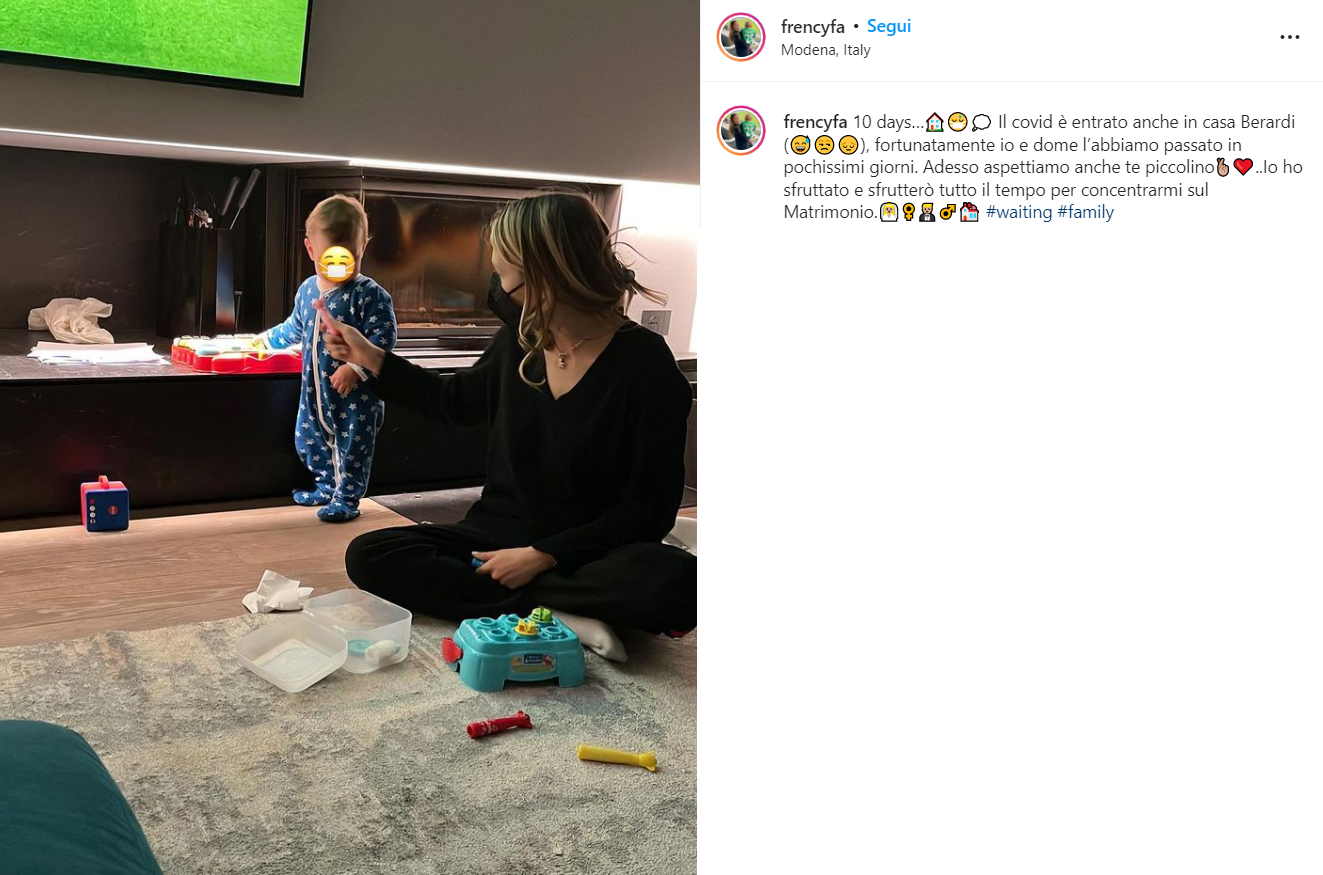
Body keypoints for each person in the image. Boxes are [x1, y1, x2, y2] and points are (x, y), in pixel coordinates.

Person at [332, 192, 696, 661]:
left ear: (545, 275)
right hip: (496, 534)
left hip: (590, 550)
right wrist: (369, 356)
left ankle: (533, 595)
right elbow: (452, 402)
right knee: (370, 555)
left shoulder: (646, 366)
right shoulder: (520, 343)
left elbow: (649, 511)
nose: (499, 292)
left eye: (505, 278)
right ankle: (558, 608)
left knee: (677, 584)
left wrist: (543, 556)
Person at [257, 195, 398, 522]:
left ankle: (347, 498)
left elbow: (384, 340)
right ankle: (325, 486)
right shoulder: (308, 290)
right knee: (309, 440)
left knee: (352, 449)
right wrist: (263, 341)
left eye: (350, 257)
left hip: (356, 398)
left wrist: (355, 369)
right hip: (315, 394)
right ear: (310, 250)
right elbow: (294, 327)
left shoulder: (369, 295)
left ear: (363, 247)